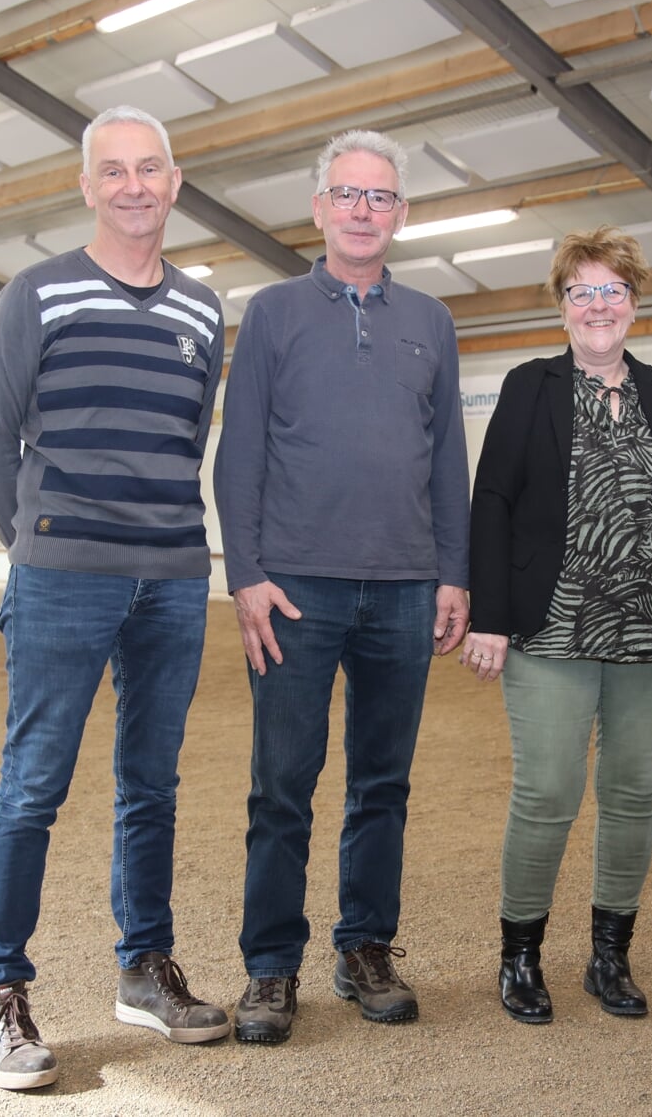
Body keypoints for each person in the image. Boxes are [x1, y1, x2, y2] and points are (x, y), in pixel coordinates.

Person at [0, 105, 230, 1091]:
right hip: (61, 575)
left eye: (148, 168)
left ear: (175, 182)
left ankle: (144, 969)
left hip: (171, 577)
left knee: (150, 787)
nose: (132, 185)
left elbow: (187, 439)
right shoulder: (38, 292)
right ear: (87, 187)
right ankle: (1, 992)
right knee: (33, 784)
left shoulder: (204, 308)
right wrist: (36, 546)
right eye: (111, 170)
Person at [213, 128, 470, 1045]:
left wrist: (453, 574)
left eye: (382, 197)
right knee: (281, 785)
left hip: (404, 590)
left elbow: (448, 461)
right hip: (294, 593)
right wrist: (246, 577)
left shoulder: (431, 321)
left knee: (383, 782)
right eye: (348, 194)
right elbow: (238, 455)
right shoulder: (273, 312)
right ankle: (271, 967)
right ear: (319, 207)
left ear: (402, 214)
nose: (364, 210)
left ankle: (365, 946)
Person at [463, 227, 652, 1026]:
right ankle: (520, 957)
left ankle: (609, 955)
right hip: (550, 627)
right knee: (548, 790)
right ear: (561, 306)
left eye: (612, 290)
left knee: (634, 794)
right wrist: (489, 615)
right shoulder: (529, 386)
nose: (598, 305)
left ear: (634, 303)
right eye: (581, 291)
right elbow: (492, 503)